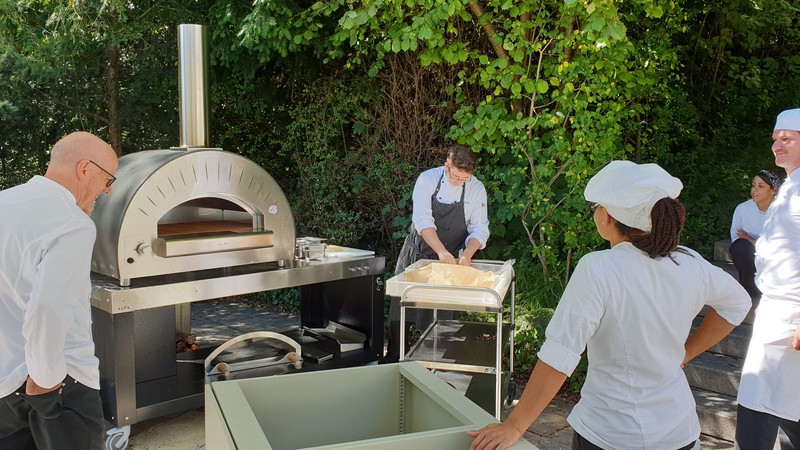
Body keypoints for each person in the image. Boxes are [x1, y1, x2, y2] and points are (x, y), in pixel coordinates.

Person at [468, 160, 751, 450]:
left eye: (597, 208)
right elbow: (737, 304)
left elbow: (560, 353)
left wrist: (514, 426)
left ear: (606, 217)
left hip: (611, 434)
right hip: (679, 431)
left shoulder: (599, 267)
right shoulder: (689, 261)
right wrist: (686, 352)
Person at [0, 132, 118, 450]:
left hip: (4, 383)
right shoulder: (72, 223)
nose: (107, 190)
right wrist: (46, 381)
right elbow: (48, 309)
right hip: (61, 385)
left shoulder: (4, 203)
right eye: (108, 179)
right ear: (84, 169)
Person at [384, 144, 490, 363]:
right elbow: (422, 220)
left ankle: (434, 365)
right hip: (417, 254)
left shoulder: (476, 188)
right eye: (456, 177)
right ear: (447, 167)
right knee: (401, 310)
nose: (460, 182)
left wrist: (467, 254)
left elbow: (480, 228)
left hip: (451, 263)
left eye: (464, 179)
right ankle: (395, 358)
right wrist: (440, 251)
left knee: (442, 316)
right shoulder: (427, 180)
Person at [736, 108, 800, 450]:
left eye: (787, 138)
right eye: (775, 139)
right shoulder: (790, 185)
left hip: (792, 316)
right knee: (783, 406)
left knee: (758, 404)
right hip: (778, 310)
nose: (777, 145)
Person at [728, 170, 782, 298]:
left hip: (777, 258)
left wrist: (753, 241)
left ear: (773, 190)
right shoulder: (742, 209)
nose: (755, 189)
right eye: (753, 185)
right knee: (739, 247)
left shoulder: (782, 210)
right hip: (752, 255)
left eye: (761, 186)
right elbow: (736, 239)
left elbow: (783, 244)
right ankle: (750, 290)